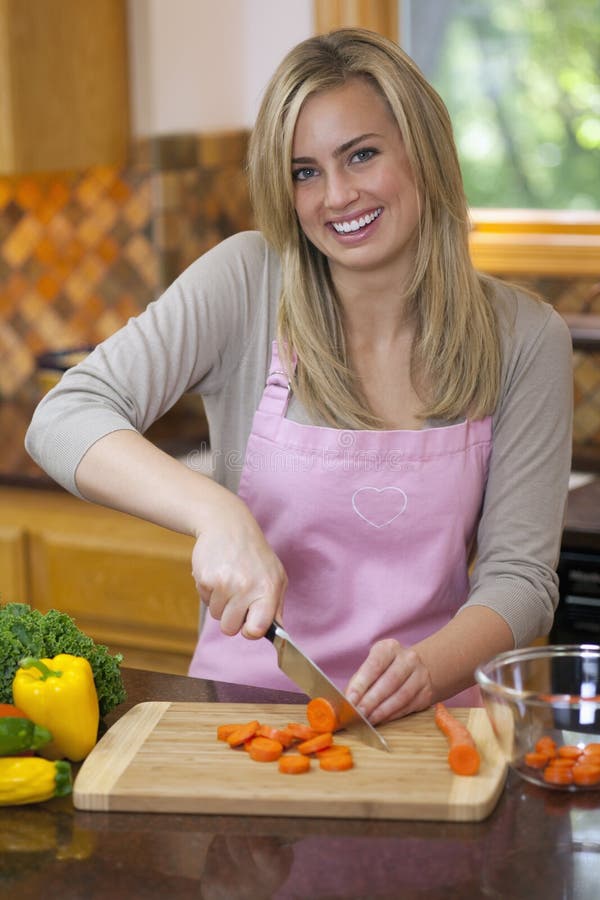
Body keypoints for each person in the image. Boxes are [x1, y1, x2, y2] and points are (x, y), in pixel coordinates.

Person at [25, 28, 573, 724]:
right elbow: (65, 414)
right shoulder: (247, 281)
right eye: (303, 171)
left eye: (362, 155)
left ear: (424, 153)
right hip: (241, 718)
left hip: (431, 727)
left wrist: (426, 670)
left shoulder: (525, 337)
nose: (336, 196)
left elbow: (521, 582)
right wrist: (214, 512)